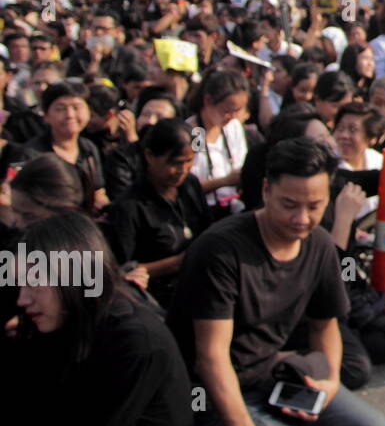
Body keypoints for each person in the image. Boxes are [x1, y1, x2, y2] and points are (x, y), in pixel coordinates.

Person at [167, 137, 385, 426]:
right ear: (266, 190)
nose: (301, 219)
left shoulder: (320, 244)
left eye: (314, 206)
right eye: (289, 205)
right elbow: (210, 358)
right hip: (205, 391)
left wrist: (331, 382)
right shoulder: (219, 251)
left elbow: (325, 325)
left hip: (268, 375)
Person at [2, 211, 194, 426]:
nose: (22, 299)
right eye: (20, 284)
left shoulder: (134, 341)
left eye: (34, 282)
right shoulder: (66, 319)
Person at [104, 119, 211, 305]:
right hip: (155, 299)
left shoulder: (191, 185)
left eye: (189, 162)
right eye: (176, 163)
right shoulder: (129, 207)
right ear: (150, 156)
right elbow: (120, 270)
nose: (183, 170)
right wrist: (177, 262)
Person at [16, 81, 108, 213]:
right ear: (46, 116)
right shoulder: (30, 154)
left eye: (76, 107)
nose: (70, 115)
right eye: (60, 109)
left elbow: (98, 192)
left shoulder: (88, 148)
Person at [186, 69, 249, 218]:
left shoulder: (232, 127)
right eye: (227, 111)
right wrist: (224, 181)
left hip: (233, 209)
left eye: (237, 111)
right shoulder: (196, 132)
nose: (232, 117)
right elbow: (190, 185)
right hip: (203, 211)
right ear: (208, 101)